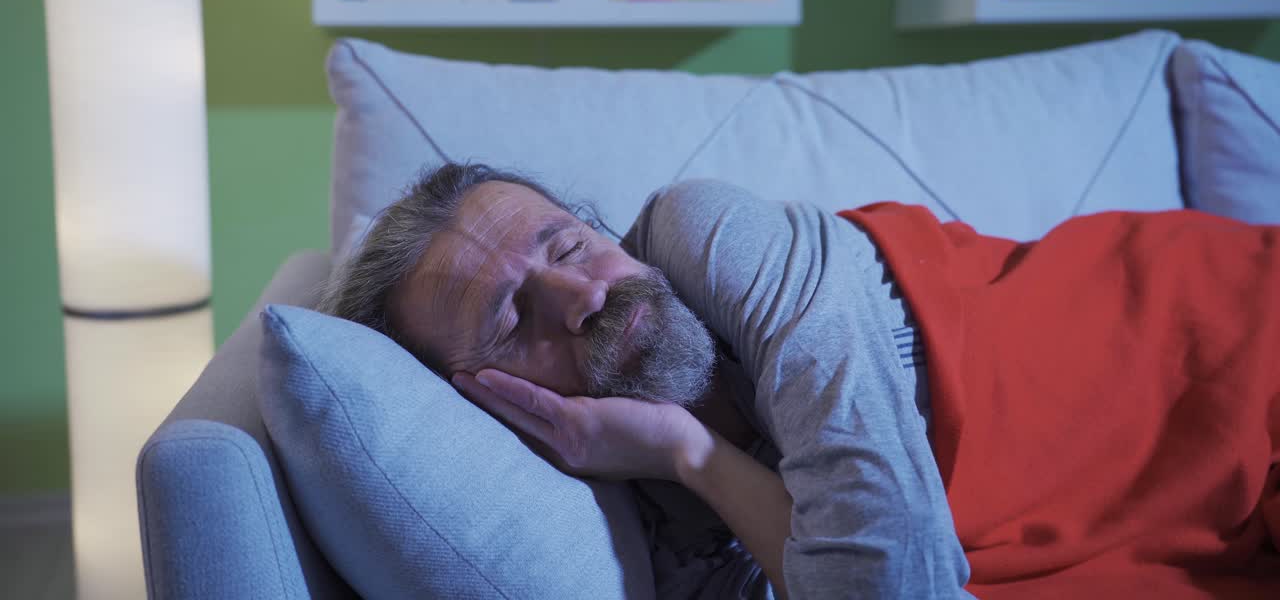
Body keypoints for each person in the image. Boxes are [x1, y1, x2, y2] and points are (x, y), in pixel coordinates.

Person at [322, 162, 1280, 600]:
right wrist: (692, 458)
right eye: (511, 319)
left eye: (571, 244)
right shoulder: (663, 544)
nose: (580, 296)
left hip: (1222, 333)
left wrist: (698, 455)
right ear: (484, 399)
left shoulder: (713, 234)